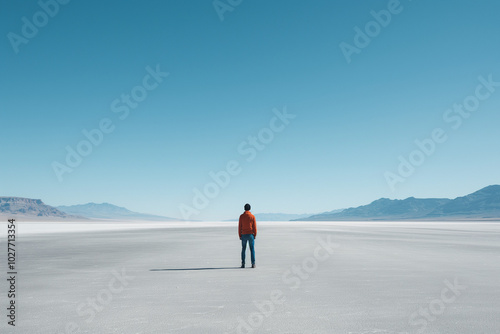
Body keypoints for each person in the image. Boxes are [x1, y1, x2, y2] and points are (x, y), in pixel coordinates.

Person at [239, 203, 257, 268]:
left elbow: (239, 226)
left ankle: (243, 263)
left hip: (243, 234)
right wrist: (255, 234)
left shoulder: (241, 216)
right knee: (252, 249)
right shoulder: (252, 216)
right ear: (250, 209)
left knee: (243, 249)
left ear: (244, 208)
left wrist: (240, 235)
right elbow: (254, 227)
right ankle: (253, 263)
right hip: (250, 235)